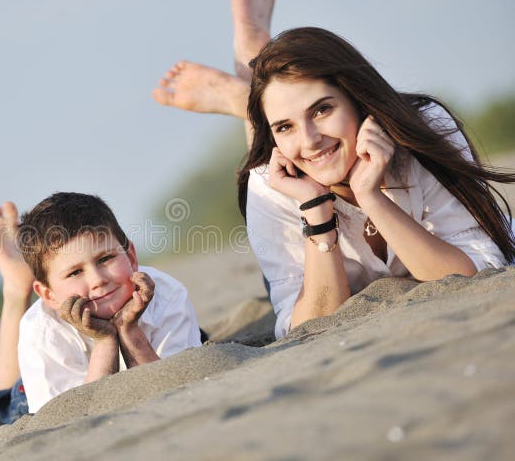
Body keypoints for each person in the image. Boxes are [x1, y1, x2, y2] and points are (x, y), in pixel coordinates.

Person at [156, 24, 515, 339]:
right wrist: (317, 213)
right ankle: (247, 98)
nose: (309, 138)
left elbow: (477, 270)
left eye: (322, 109)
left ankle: (247, 95)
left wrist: (371, 197)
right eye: (284, 126)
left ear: (358, 99)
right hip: (299, 214)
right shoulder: (271, 183)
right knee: (269, 160)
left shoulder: (424, 130)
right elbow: (305, 325)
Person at [0, 193, 202, 427]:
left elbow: (171, 381)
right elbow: (76, 419)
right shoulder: (43, 331)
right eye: (75, 272)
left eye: (105, 259)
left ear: (131, 257)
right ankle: (16, 288)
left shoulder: (167, 293)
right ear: (48, 295)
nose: (98, 280)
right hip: (64, 387)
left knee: (196, 343)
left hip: (150, 354)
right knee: (10, 401)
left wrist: (129, 330)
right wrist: (104, 341)